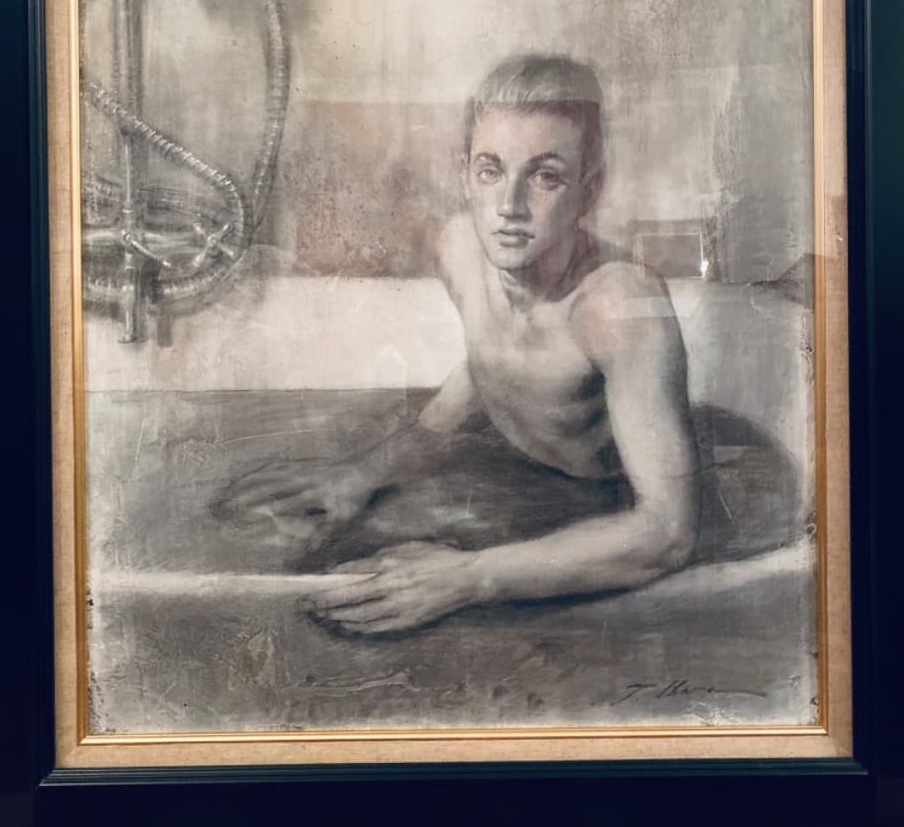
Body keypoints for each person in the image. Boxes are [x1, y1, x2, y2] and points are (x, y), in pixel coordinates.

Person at [220, 54, 701, 634]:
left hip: (610, 511)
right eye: (490, 171)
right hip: (522, 478)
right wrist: (363, 472)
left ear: (588, 189)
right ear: (465, 174)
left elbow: (667, 532)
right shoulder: (461, 249)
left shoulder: (615, 308)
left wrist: (468, 578)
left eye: (545, 177)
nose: (509, 206)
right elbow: (491, 365)